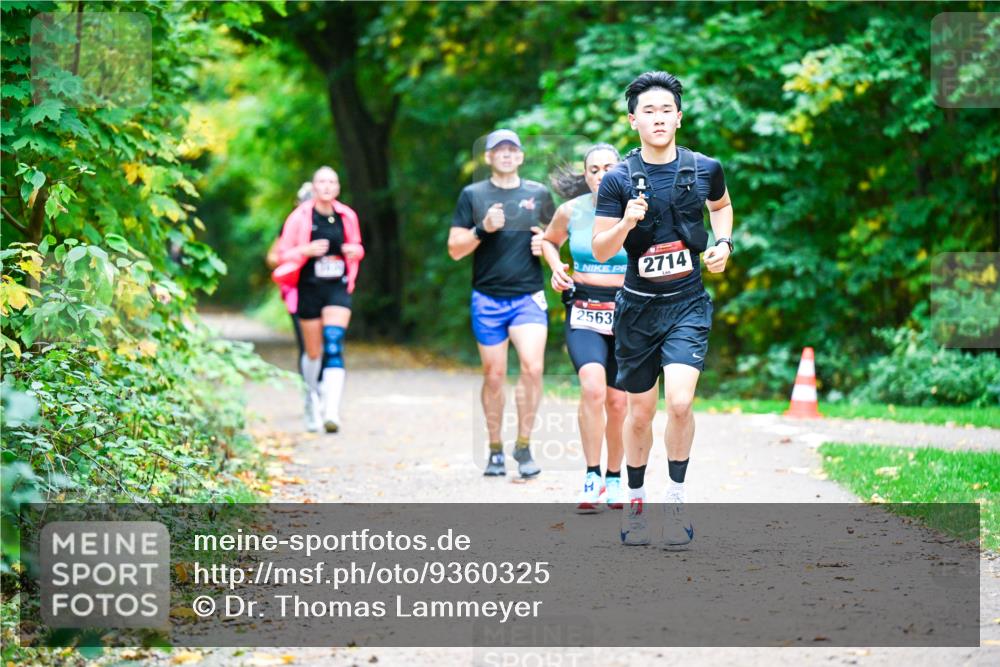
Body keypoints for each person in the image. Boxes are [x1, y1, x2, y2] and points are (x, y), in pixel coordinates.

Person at [592, 72, 734, 548]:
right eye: (648, 111)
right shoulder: (616, 179)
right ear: (633, 120)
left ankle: (675, 500)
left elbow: (722, 206)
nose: (658, 118)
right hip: (636, 309)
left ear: (679, 116)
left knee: (679, 402)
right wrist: (627, 221)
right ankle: (636, 502)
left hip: (687, 303)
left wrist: (724, 244)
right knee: (639, 414)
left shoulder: (704, 167)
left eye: (665, 110)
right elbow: (602, 246)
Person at [448, 129, 555, 478]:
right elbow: (455, 249)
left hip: (527, 296)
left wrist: (546, 246)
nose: (507, 155)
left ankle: (523, 446)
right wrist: (483, 229)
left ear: (521, 157)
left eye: (513, 150)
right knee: (494, 375)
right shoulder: (473, 195)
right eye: (499, 150)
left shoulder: (538, 193)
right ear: (489, 157)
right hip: (488, 298)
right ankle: (495, 449)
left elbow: (557, 239)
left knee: (532, 368)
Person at [541, 144, 628, 512]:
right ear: (585, 174)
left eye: (608, 167)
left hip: (628, 312)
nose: (600, 175)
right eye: (593, 169)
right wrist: (556, 267)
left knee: (618, 401)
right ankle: (592, 476)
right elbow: (548, 241)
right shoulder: (571, 211)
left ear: (621, 171)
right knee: (592, 389)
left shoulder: (636, 211)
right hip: (584, 310)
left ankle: (614, 477)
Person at [273, 167, 364, 434]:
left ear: (337, 188)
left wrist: (354, 251)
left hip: (338, 286)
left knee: (334, 344)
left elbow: (358, 246)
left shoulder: (347, 216)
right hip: (309, 287)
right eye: (321, 181)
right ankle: (311, 400)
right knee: (313, 352)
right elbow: (282, 254)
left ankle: (331, 411)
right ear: (314, 187)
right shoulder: (299, 217)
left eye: (332, 182)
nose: (326, 186)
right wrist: (306, 250)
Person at [267, 182, 321, 430]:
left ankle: (322, 393)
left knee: (326, 342)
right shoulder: (290, 223)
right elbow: (273, 256)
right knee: (306, 344)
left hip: (326, 291)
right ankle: (311, 394)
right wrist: (301, 254)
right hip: (297, 292)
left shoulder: (332, 222)